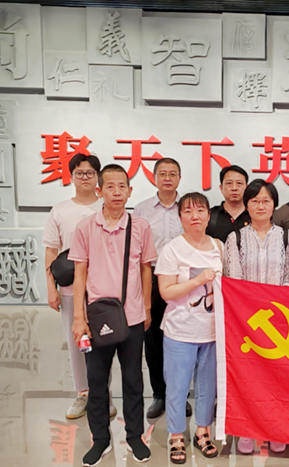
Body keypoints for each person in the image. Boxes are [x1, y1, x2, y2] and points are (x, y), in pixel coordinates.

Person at [70, 165, 157, 466]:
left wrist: (146, 308)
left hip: (132, 317)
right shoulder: (85, 227)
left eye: (122, 186)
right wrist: (78, 317)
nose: (117, 192)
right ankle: (100, 440)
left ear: (130, 191)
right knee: (96, 380)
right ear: (100, 191)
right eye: (110, 186)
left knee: (133, 379)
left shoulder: (141, 227)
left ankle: (134, 437)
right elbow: (79, 274)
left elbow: (146, 269)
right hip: (96, 319)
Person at [223, 179, 289, 454]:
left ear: (274, 205)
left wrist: (277, 312)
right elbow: (235, 280)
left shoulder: (287, 236)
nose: (260, 206)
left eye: (266, 201)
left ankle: (276, 428)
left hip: (279, 321)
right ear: (247, 205)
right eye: (255, 201)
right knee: (249, 378)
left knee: (278, 379)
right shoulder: (235, 238)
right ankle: (247, 431)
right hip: (247, 321)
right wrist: (250, 311)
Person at [43, 154, 115, 420]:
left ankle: (103, 393)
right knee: (77, 342)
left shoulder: (107, 208)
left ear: (98, 177)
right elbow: (51, 251)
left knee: (104, 340)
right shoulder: (60, 210)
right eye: (79, 173)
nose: (85, 177)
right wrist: (51, 287)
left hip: (103, 287)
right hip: (70, 286)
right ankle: (83, 393)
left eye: (90, 172)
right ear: (71, 177)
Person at [155, 193, 222, 464]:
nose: (195, 216)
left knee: (208, 386)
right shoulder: (172, 249)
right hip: (180, 331)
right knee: (178, 387)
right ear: (180, 217)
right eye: (188, 211)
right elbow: (166, 292)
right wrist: (198, 281)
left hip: (213, 331)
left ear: (208, 215)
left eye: (200, 210)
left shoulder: (219, 246)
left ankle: (203, 432)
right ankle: (176, 435)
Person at [133, 157, 192, 419]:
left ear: (179, 178)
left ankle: (181, 394)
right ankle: (159, 394)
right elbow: (135, 247)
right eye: (163, 174)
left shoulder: (188, 207)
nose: (168, 178)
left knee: (184, 337)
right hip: (152, 277)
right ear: (154, 178)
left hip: (184, 279)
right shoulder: (142, 209)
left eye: (173, 173)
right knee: (153, 337)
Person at [206, 165, 251, 242]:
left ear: (246, 187)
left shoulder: (254, 215)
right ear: (221, 188)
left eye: (239, 183)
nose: (234, 188)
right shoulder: (210, 215)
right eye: (229, 183)